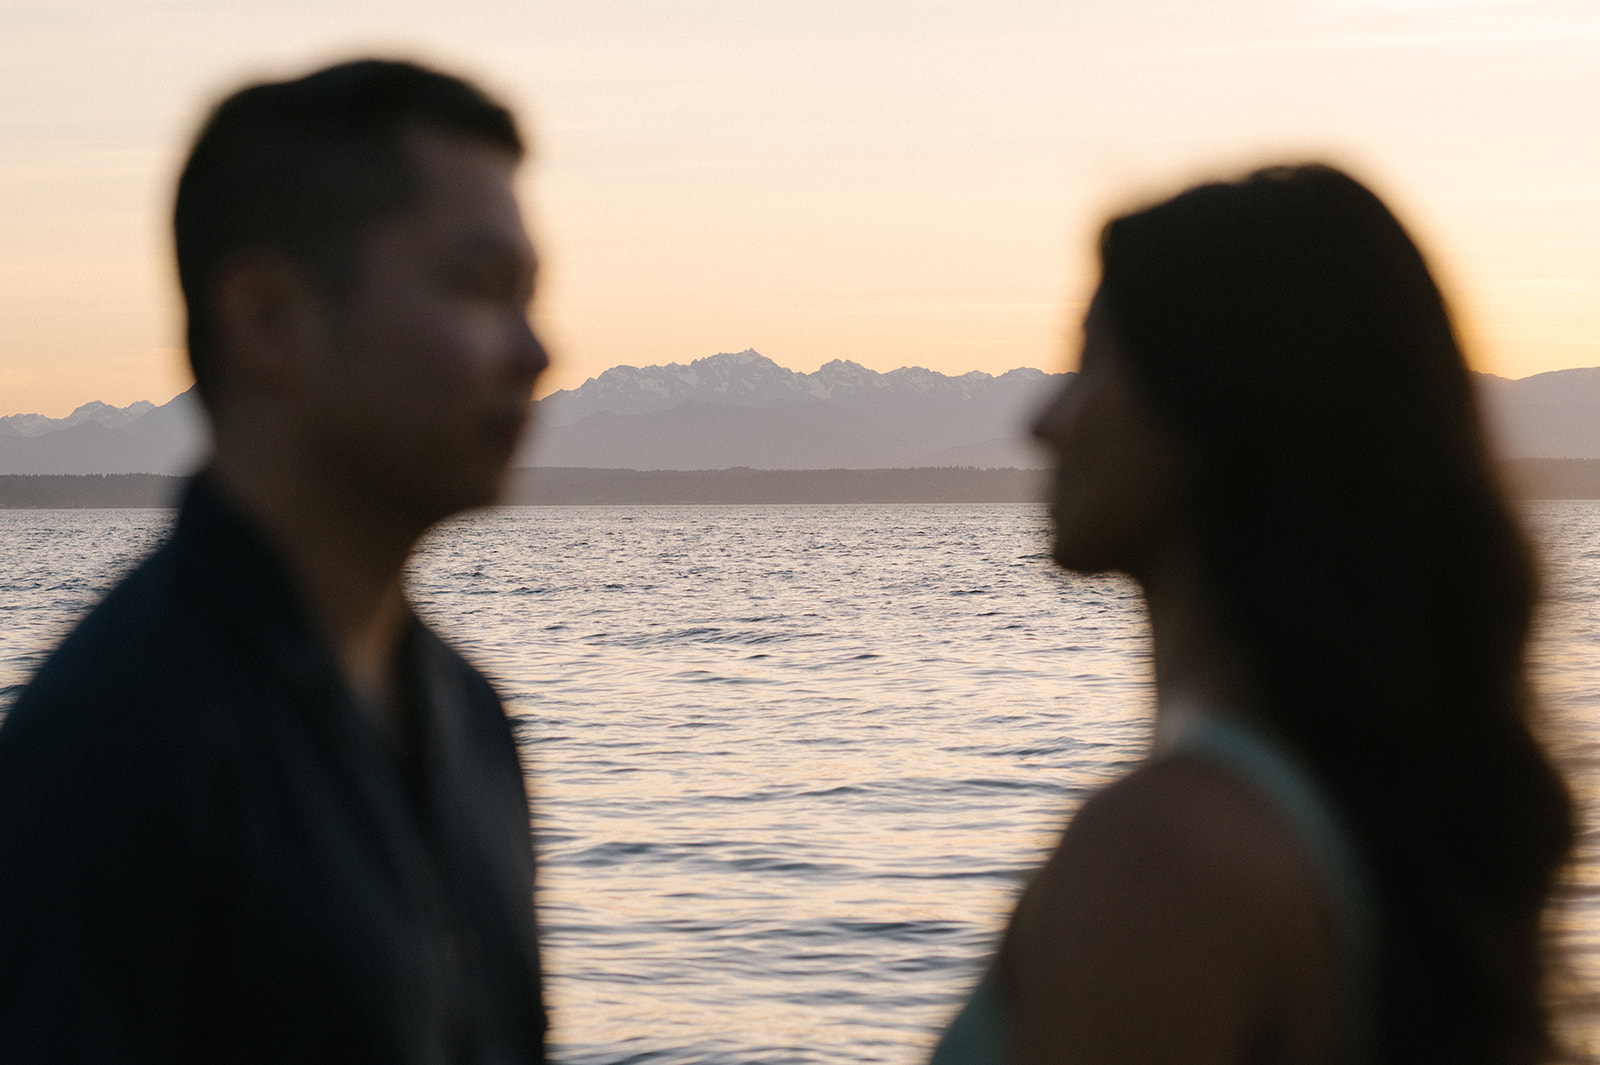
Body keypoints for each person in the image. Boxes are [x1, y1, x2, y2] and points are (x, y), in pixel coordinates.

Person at [932, 165, 1576, 1065]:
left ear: (1216, 404)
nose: (1041, 422)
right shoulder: (1351, 815)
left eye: (1093, 361)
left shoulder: (1164, 852)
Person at [0, 59, 550, 1062]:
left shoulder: (469, 723)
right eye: (478, 288)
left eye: (529, 294)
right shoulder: (110, 755)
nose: (534, 352)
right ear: (267, 317)